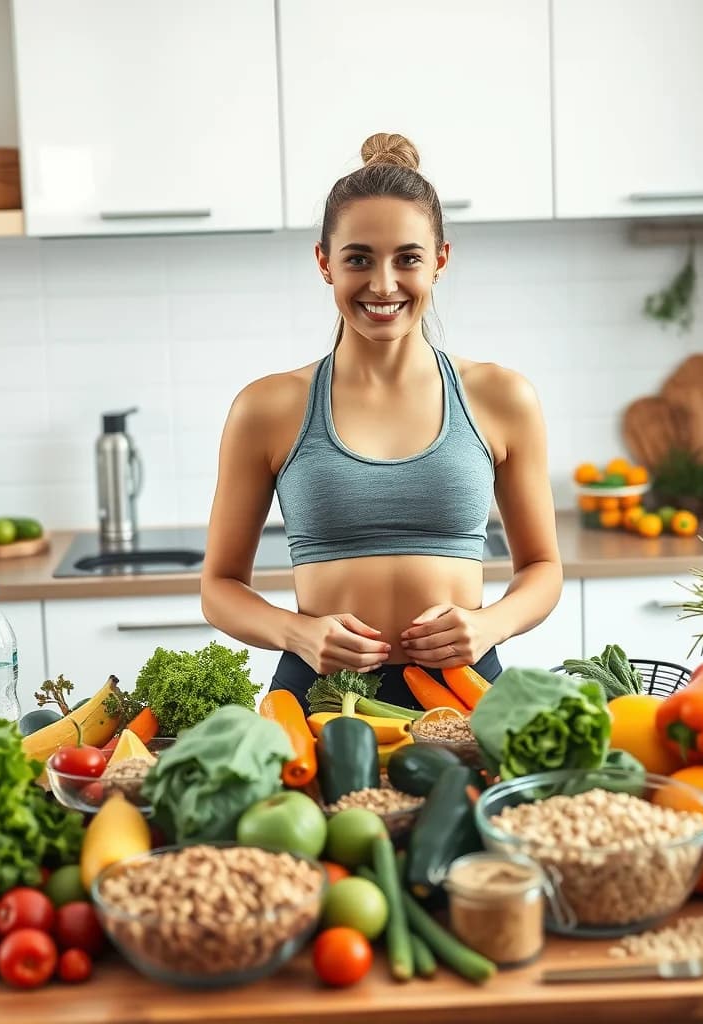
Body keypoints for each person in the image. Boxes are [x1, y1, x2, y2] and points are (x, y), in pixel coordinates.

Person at [201, 132, 563, 712]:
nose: (384, 284)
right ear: (325, 263)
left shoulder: (502, 398)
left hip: (464, 690)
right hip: (320, 697)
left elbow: (543, 569)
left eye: (408, 258)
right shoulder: (266, 408)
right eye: (358, 258)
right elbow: (218, 588)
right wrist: (298, 633)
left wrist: (490, 624)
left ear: (440, 261)